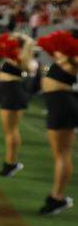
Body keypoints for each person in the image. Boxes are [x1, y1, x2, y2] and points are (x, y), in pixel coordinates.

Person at [37, 30, 76, 215]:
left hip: (64, 103)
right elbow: (46, 42)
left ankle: (57, 197)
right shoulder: (65, 55)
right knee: (59, 154)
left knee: (62, 154)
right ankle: (57, 196)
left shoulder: (74, 57)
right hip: (57, 103)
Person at [0, 33, 33, 178]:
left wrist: (21, 50)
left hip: (14, 92)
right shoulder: (12, 55)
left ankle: (10, 164)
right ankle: (10, 162)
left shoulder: (23, 58)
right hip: (8, 92)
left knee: (11, 131)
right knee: (9, 131)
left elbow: (26, 66)